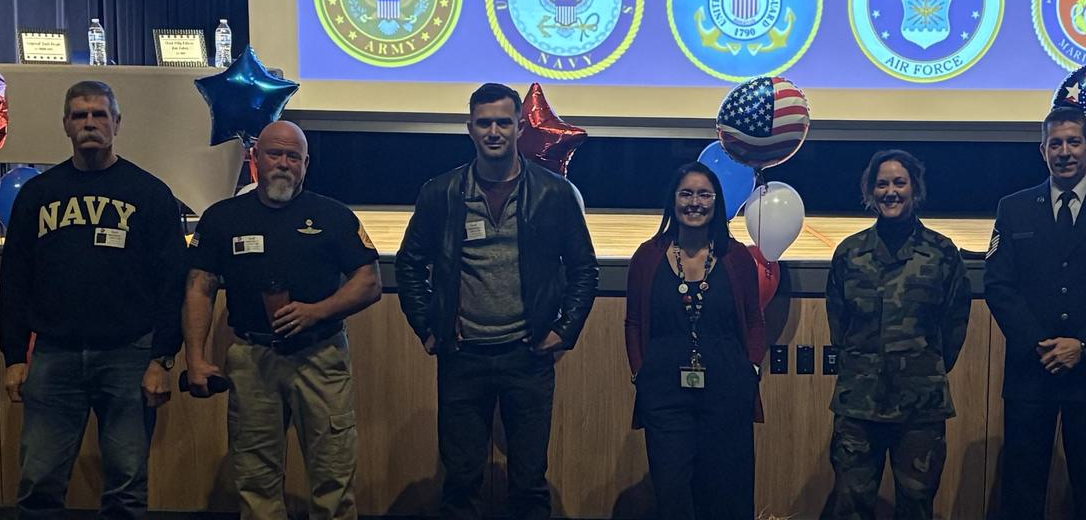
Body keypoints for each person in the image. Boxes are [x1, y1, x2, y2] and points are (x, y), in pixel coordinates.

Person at [395, 82, 599, 520]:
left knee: (528, 485)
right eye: (484, 122)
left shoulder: (553, 193)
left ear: (519, 126)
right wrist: (426, 325)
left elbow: (584, 269)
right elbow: (409, 264)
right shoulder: (442, 193)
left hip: (527, 358)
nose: (494, 131)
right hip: (462, 357)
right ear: (469, 128)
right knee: (461, 484)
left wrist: (563, 332)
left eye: (503, 122)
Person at [0, 80, 186, 520]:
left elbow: (172, 282)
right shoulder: (39, 195)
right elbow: (14, 281)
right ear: (65, 124)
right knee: (38, 483)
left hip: (129, 355)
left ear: (117, 123)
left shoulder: (150, 194)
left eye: (99, 114)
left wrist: (163, 358)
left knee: (126, 488)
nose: (90, 123)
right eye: (80, 115)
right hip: (53, 356)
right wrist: (13, 356)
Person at [182, 120, 382, 520]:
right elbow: (199, 288)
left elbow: (369, 281)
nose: (284, 163)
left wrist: (317, 311)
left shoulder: (333, 216)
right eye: (276, 153)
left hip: (322, 358)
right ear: (255, 158)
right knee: (255, 483)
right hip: (252, 360)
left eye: (294, 156)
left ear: (306, 164)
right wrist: (196, 358)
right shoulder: (223, 218)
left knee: (334, 480)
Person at [984, 104, 1086, 520]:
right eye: (1055, 143)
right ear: (1042, 151)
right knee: (1022, 488)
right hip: (1032, 367)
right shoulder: (1014, 208)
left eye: (1073, 142)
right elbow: (998, 285)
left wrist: (1084, 345)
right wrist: (1040, 344)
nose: (1064, 151)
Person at [822, 149, 970, 520]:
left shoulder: (941, 253)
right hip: (859, 404)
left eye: (899, 183)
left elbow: (955, 323)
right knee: (850, 505)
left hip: (920, 407)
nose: (891, 191)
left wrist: (925, 369)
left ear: (914, 189)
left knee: (917, 505)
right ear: (870, 192)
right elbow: (838, 324)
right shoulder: (849, 253)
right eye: (882, 183)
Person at [623, 162, 766, 520]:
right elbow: (634, 322)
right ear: (672, 201)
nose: (695, 202)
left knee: (724, 492)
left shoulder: (737, 258)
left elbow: (753, 321)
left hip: (727, 394)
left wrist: (751, 369)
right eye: (686, 193)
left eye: (704, 194)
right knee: (672, 493)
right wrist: (641, 373)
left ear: (716, 202)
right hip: (665, 396)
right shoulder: (647, 256)